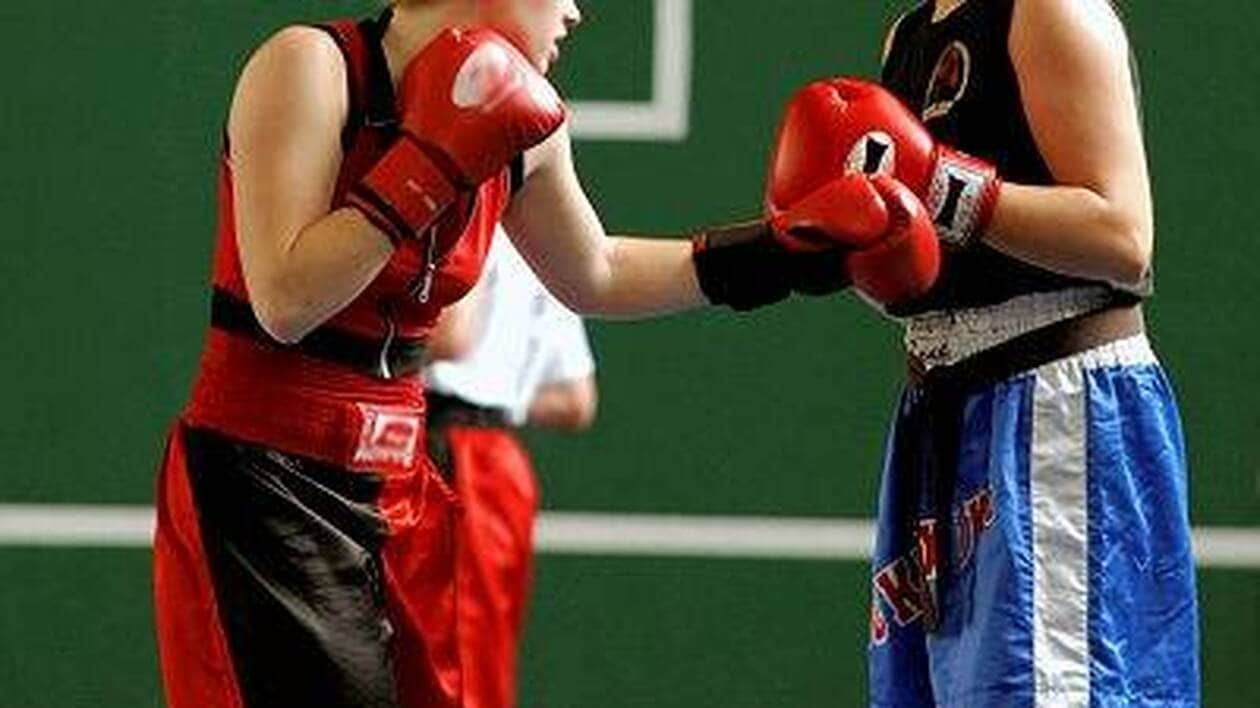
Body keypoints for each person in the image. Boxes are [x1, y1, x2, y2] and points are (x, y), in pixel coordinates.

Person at [148, 1, 926, 706]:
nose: (577, 13)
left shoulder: (527, 126)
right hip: (262, 486)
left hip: (399, 490)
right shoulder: (313, 66)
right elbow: (286, 299)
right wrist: (434, 161)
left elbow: (597, 271)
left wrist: (781, 253)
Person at [768, 0, 1198, 705]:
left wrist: (938, 183)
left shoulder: (1050, 11)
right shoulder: (909, 37)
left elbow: (1124, 240)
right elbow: (934, 270)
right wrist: (850, 248)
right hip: (944, 416)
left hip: (1060, 411)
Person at [424, 227, 598, 708]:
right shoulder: (548, 247)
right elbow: (575, 401)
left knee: (452, 658)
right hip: (491, 459)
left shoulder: (450, 217)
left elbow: (452, 336)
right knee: (471, 656)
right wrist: (503, 391)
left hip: (448, 457)